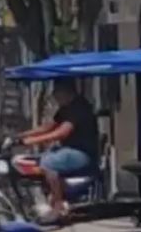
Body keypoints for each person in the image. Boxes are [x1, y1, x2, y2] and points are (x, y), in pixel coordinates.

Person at [19, 77, 101, 222]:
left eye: (57, 93)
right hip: (70, 150)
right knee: (38, 159)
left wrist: (32, 141)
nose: (55, 97)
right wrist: (22, 136)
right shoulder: (65, 108)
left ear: (67, 92)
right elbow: (48, 127)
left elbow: (62, 132)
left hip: (82, 154)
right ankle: (50, 195)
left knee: (48, 163)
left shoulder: (78, 108)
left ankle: (58, 205)